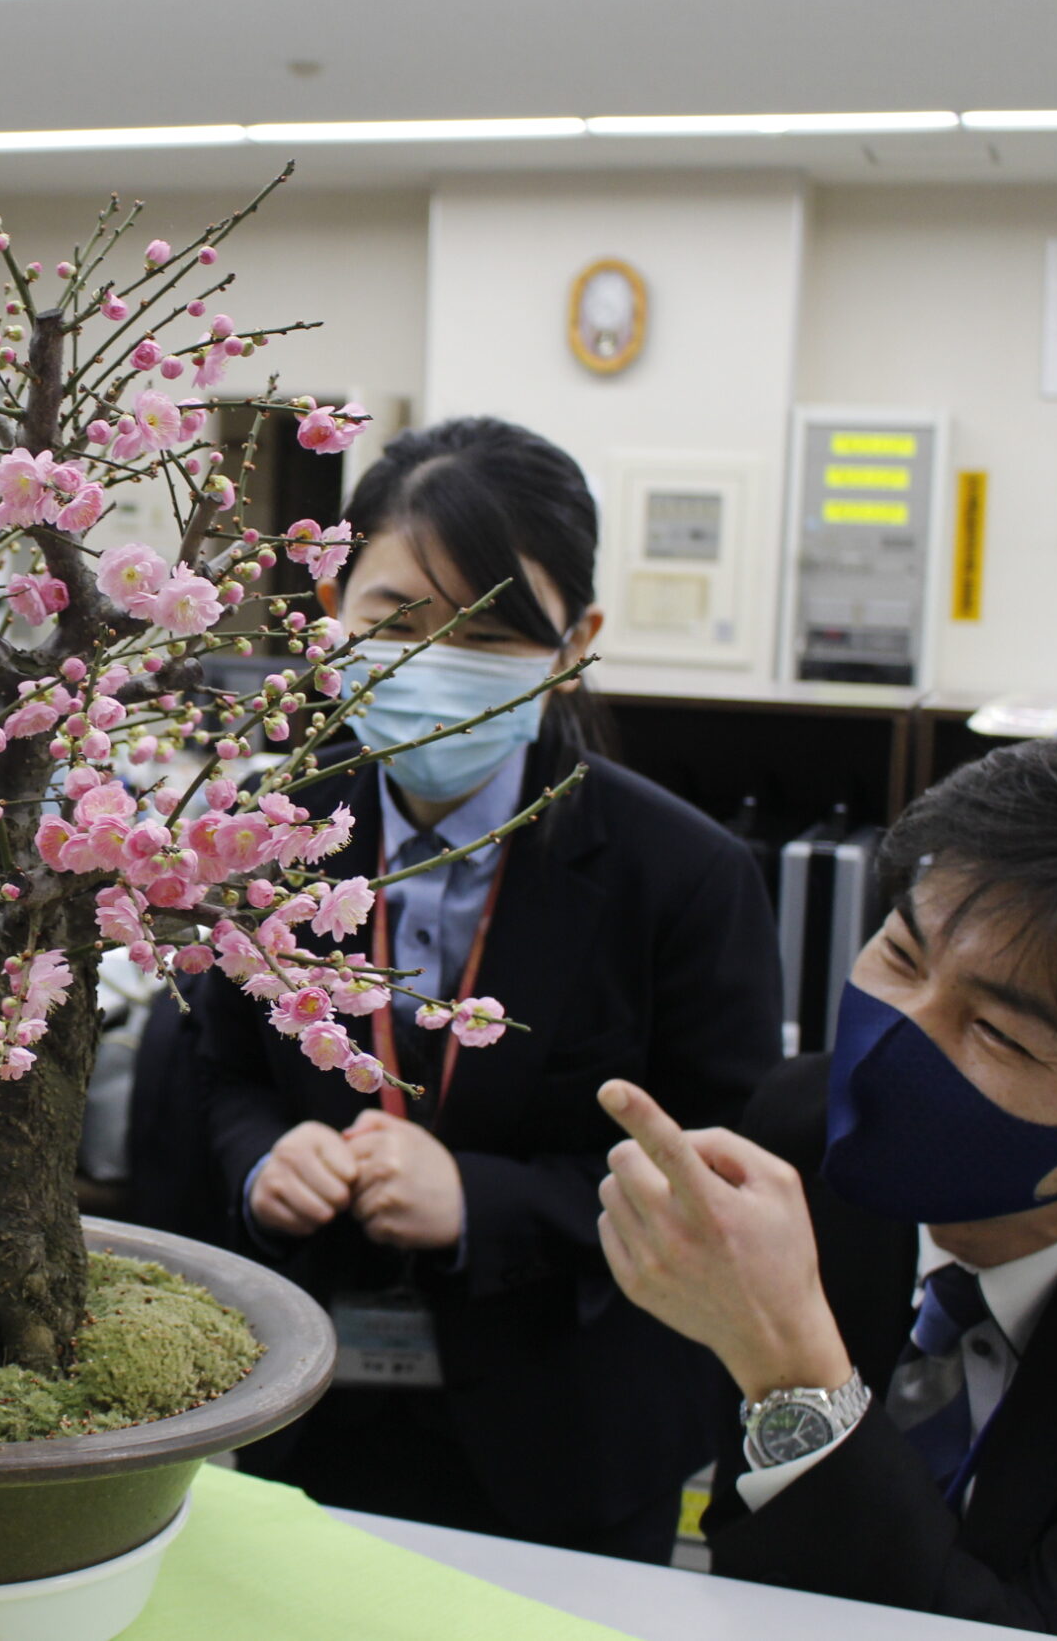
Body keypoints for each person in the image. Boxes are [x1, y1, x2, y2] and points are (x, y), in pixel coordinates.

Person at [173, 416, 783, 1560]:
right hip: (313, 1412)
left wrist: (487, 1205)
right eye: (394, 619)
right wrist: (265, 1159)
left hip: (568, 1433)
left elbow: (722, 1162)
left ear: (575, 640)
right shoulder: (264, 836)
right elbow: (213, 1073)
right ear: (330, 613)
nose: (428, 661)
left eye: (490, 630)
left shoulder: (685, 876)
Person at [598, 730, 1057, 1639]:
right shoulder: (801, 1135)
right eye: (900, 954)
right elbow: (760, 1559)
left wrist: (793, 1372)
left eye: (1003, 1033)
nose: (894, 1043)